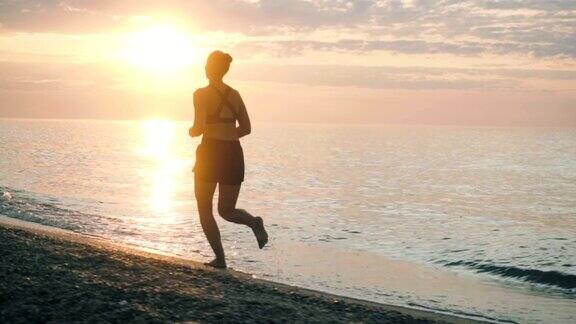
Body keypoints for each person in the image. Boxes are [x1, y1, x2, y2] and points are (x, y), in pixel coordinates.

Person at [189, 50, 268, 269]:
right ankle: (254, 222)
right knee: (226, 210)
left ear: (207, 68)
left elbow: (199, 127)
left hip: (211, 152)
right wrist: (229, 135)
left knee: (204, 208)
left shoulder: (200, 94)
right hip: (233, 152)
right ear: (224, 70)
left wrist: (191, 131)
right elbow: (247, 128)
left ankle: (221, 259)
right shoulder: (235, 94)